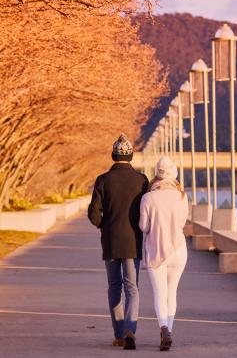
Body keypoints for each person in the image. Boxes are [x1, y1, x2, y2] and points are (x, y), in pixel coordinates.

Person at [88, 133, 149, 350]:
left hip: (111, 242)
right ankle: (130, 329)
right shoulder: (141, 181)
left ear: (113, 155)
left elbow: (94, 215)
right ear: (131, 156)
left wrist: (104, 225)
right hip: (133, 242)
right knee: (132, 287)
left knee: (114, 286)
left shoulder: (103, 180)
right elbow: (146, 212)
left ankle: (119, 334)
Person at [139, 156, 188, 351]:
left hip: (155, 251)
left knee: (159, 293)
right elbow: (183, 223)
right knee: (172, 292)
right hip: (178, 250)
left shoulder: (147, 198)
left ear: (157, 175)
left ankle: (163, 328)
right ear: (174, 175)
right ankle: (169, 331)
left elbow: (143, 226)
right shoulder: (182, 196)